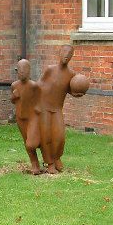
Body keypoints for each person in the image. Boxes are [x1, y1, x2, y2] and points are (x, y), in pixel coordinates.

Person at [38, 45, 77, 174]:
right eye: (65, 52)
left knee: (60, 137)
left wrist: (78, 93)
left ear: (72, 56)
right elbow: (39, 85)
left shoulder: (71, 74)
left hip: (57, 109)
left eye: (70, 53)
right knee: (46, 136)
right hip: (44, 107)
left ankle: (57, 157)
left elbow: (71, 90)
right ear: (59, 53)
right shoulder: (50, 70)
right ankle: (49, 163)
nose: (67, 55)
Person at [11, 59, 43, 174]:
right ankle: (35, 164)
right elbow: (12, 100)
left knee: (31, 143)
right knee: (27, 143)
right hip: (20, 118)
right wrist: (14, 97)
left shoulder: (34, 86)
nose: (22, 73)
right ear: (17, 71)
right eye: (19, 71)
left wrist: (38, 108)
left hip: (32, 117)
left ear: (29, 71)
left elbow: (40, 100)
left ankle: (48, 157)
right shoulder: (14, 85)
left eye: (24, 70)